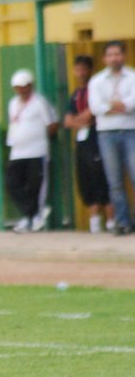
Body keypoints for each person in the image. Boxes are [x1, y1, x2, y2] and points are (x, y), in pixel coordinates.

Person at [88, 41, 135, 236]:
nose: (114, 58)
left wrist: (113, 106)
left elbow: (133, 103)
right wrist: (120, 106)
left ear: (124, 55)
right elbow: (96, 107)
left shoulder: (132, 76)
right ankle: (123, 222)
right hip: (106, 134)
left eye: (117, 54)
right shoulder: (96, 81)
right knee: (114, 181)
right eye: (110, 54)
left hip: (131, 131)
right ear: (104, 58)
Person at [64, 55, 113, 234]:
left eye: (84, 69)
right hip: (82, 142)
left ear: (90, 70)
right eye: (77, 69)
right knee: (85, 180)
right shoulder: (76, 94)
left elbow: (91, 115)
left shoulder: (97, 89)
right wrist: (80, 121)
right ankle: (94, 224)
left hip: (96, 139)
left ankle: (111, 221)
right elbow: (68, 121)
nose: (80, 73)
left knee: (102, 178)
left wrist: (81, 119)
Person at [5, 69, 58, 233]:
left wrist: (39, 138)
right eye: (18, 87)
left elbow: (52, 124)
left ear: (30, 86)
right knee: (12, 183)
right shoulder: (13, 103)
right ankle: (31, 213)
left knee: (35, 185)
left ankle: (33, 216)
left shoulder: (39, 102)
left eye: (24, 86)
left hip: (36, 151)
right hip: (17, 151)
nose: (21, 90)